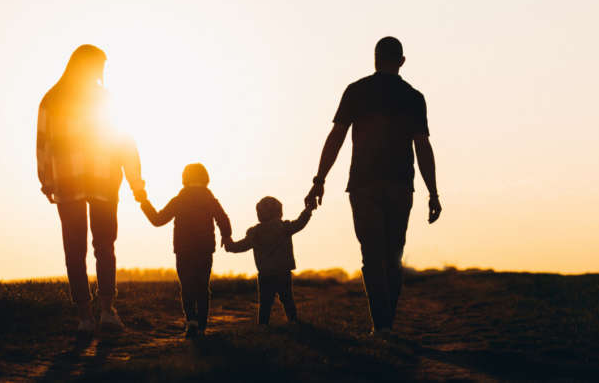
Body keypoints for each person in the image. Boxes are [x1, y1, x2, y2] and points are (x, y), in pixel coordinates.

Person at [304, 36, 442, 335]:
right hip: (400, 185)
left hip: (363, 184)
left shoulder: (357, 91)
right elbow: (423, 147)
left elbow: (336, 137)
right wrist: (433, 191)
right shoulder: (413, 97)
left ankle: (380, 325)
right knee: (392, 254)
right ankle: (386, 322)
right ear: (402, 61)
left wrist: (319, 179)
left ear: (375, 59)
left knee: (372, 254)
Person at [36, 44, 147, 335]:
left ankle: (87, 317)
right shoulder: (104, 99)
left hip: (73, 180)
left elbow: (42, 144)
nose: (102, 72)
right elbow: (125, 143)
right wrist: (136, 182)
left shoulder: (52, 99)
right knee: (103, 246)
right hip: (102, 179)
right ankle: (106, 312)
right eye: (100, 66)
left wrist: (46, 178)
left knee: (76, 249)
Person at [139, 163, 232, 338]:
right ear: (205, 178)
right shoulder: (210, 200)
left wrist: (144, 203)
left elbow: (158, 220)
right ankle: (202, 325)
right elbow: (223, 219)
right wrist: (226, 236)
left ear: (185, 178)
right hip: (205, 249)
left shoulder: (179, 200)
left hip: (184, 250)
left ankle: (191, 322)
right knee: (202, 286)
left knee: (187, 286)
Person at [224, 197, 315, 325]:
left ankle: (263, 326)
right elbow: (300, 223)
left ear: (259, 214)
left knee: (265, 303)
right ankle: (293, 322)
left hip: (265, 273)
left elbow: (241, 246)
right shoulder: (284, 227)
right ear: (279, 212)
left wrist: (229, 245)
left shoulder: (254, 232)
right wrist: (308, 210)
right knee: (287, 299)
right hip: (283, 271)